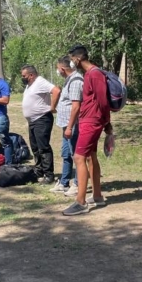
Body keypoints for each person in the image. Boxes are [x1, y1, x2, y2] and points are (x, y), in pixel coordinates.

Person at [62, 46, 112, 216]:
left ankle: (80, 202)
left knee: (79, 157)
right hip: (88, 120)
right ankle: (97, 195)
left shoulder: (95, 74)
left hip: (92, 121)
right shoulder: (88, 74)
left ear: (77, 58)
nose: (71, 61)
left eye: (71, 58)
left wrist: (107, 123)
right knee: (91, 156)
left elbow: (103, 102)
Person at [21, 65, 60, 184]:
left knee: (43, 147)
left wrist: (52, 107)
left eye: (24, 76)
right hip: (32, 121)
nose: (22, 78)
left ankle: (49, 175)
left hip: (42, 119)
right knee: (35, 148)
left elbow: (56, 90)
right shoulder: (30, 85)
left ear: (31, 75)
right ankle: (39, 171)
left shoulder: (40, 82)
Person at [52, 55, 83, 195]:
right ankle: (64, 182)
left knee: (75, 154)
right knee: (66, 154)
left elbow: (76, 106)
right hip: (66, 125)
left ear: (63, 69)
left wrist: (70, 127)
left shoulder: (76, 81)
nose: (58, 71)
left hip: (73, 125)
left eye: (58, 69)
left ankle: (77, 184)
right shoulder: (68, 80)